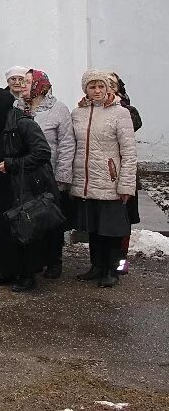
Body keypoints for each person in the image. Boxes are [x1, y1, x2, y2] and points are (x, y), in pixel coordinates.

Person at [0, 87, 55, 292]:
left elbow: (42, 152)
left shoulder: (23, 124)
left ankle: (26, 274)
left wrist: (12, 164)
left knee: (22, 230)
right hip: (0, 187)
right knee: (3, 228)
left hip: (22, 187)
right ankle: (5, 269)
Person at [70, 70, 137, 288]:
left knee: (113, 230)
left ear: (108, 88)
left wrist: (126, 183)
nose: (97, 91)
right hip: (86, 181)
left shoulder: (120, 113)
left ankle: (114, 270)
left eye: (101, 86)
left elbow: (128, 151)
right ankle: (96, 266)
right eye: (92, 87)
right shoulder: (78, 113)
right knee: (94, 228)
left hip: (110, 181)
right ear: (85, 90)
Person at [22, 69, 74, 279]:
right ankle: (35, 259)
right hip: (25, 174)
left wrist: (62, 175)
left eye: (27, 82)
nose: (22, 85)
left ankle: (54, 260)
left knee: (51, 219)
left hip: (49, 174)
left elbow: (67, 143)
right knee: (29, 218)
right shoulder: (19, 107)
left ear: (39, 85)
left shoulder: (58, 109)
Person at [109, 72, 142, 274]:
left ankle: (121, 262)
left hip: (125, 173)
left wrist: (119, 107)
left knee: (124, 220)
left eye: (112, 84)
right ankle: (102, 262)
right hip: (103, 174)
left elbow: (136, 124)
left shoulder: (127, 109)